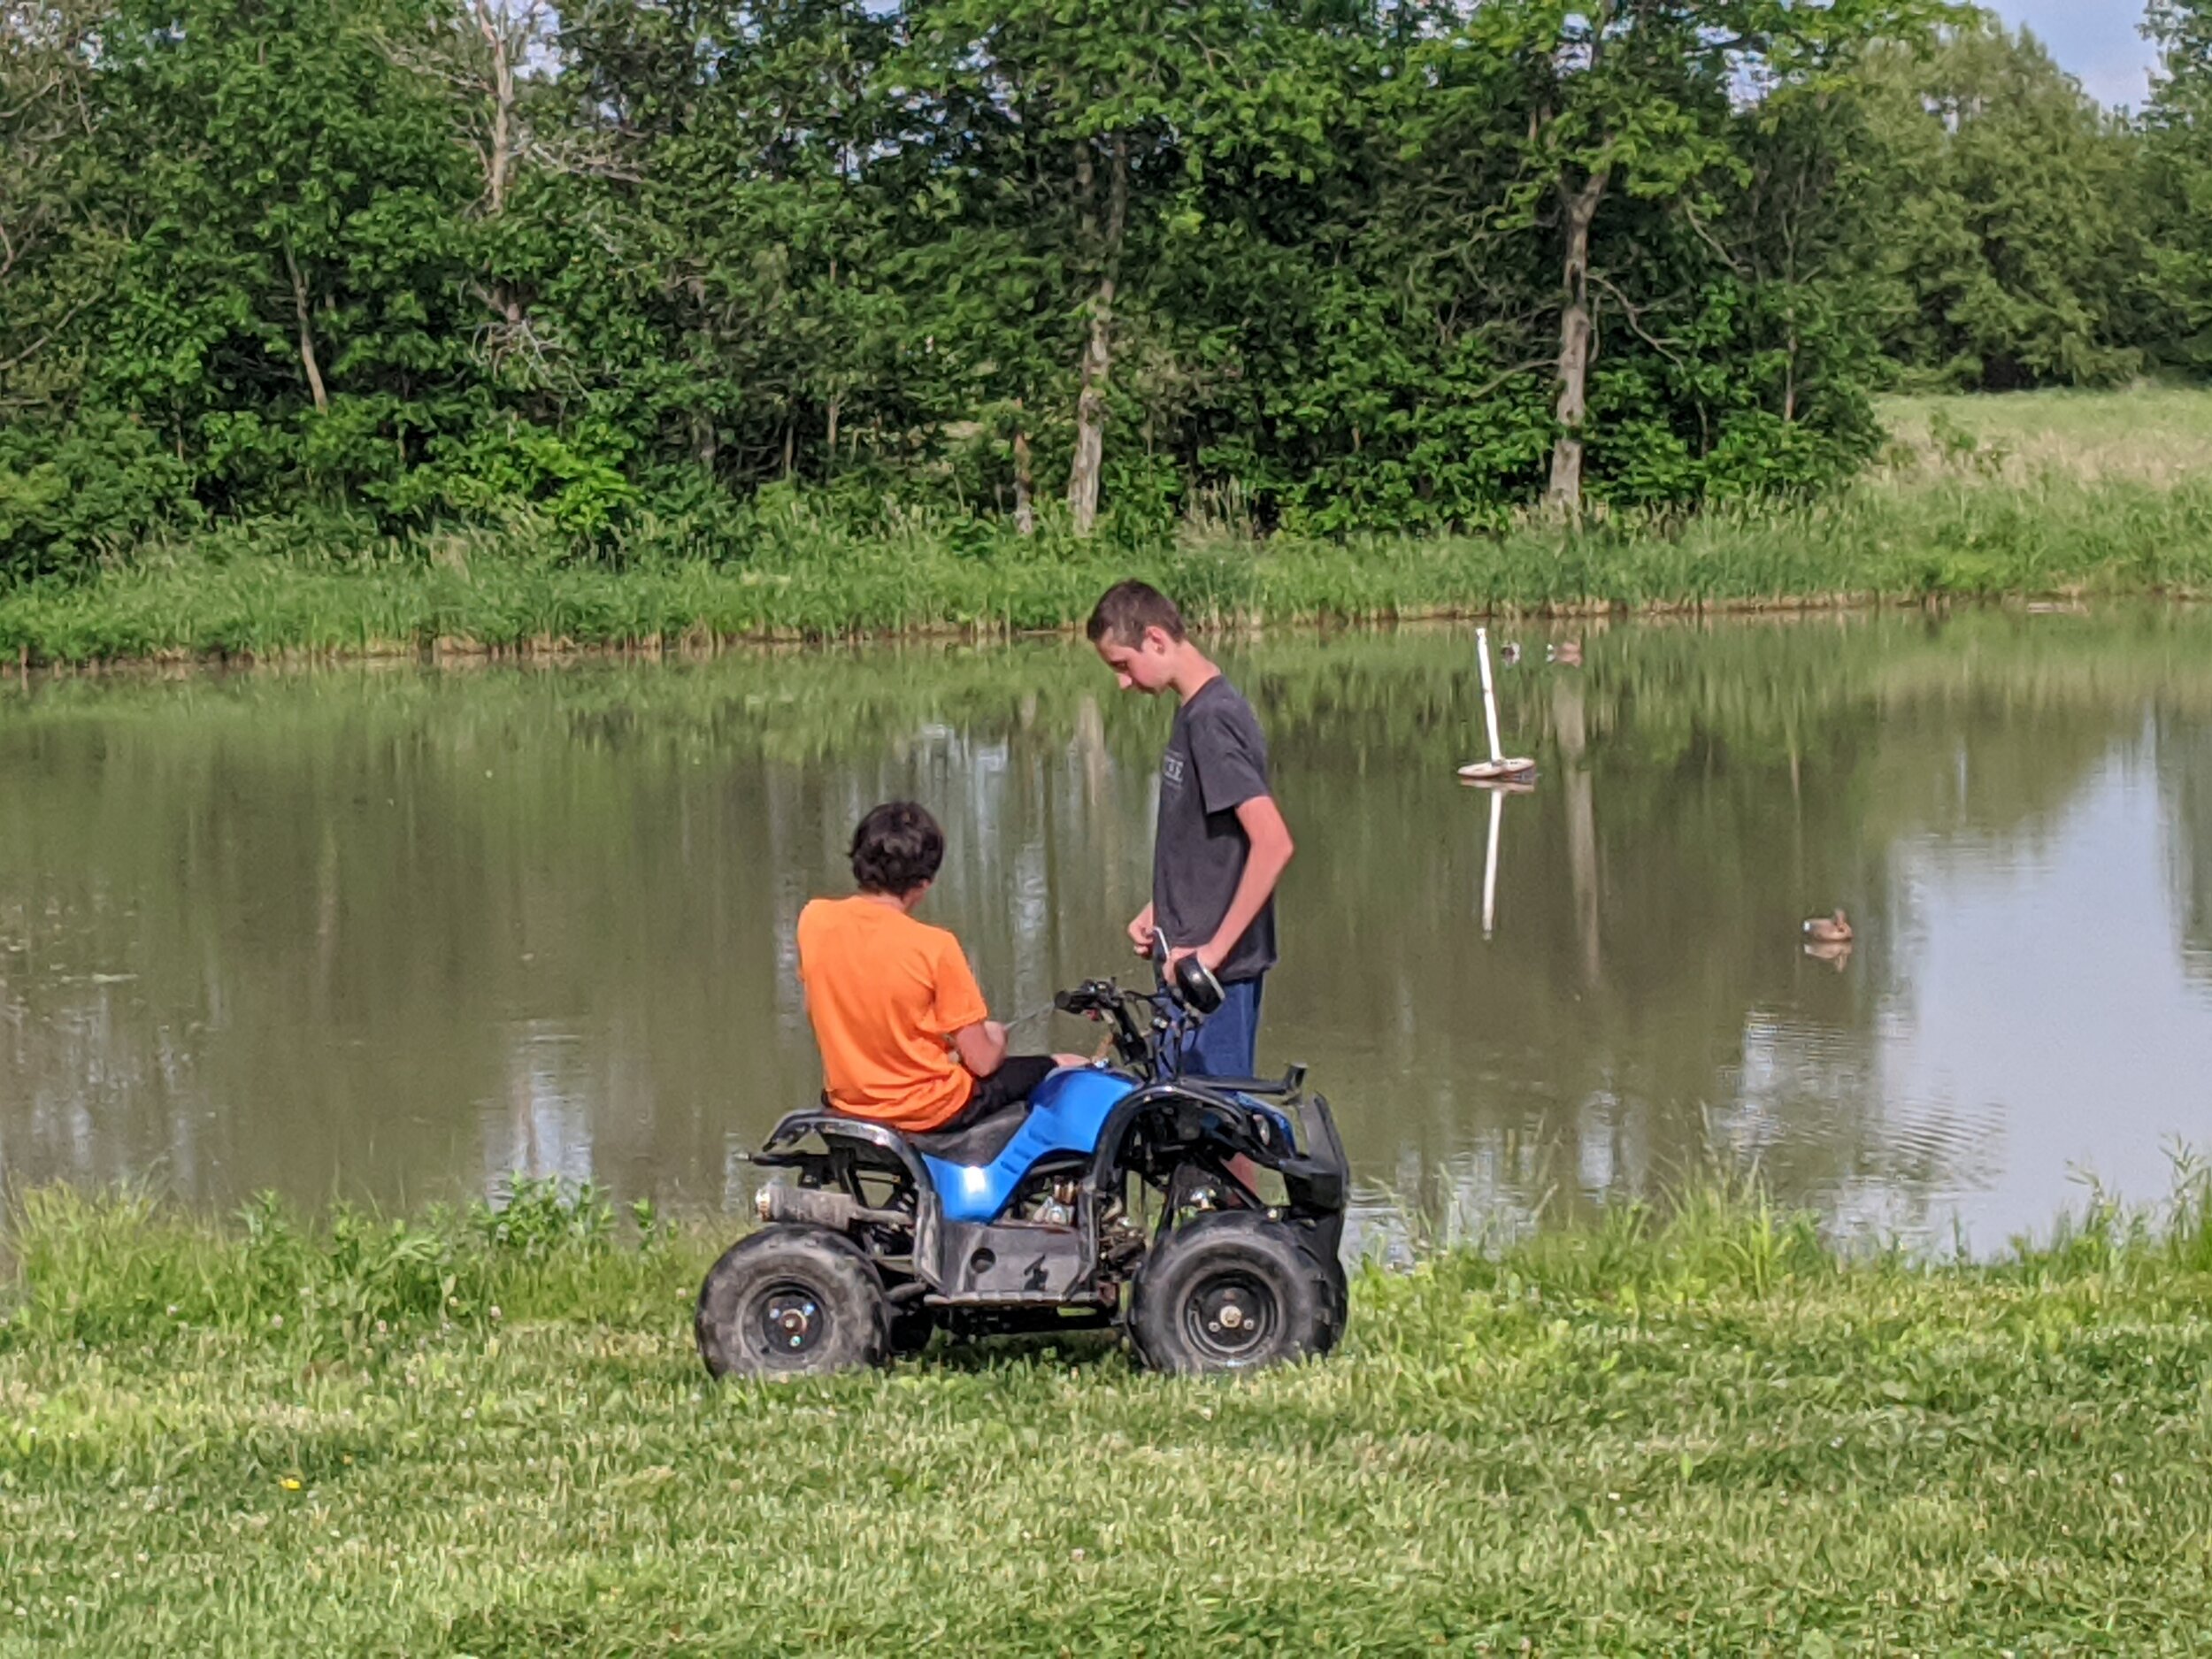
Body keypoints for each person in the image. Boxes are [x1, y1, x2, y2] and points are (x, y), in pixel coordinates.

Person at [1087, 580, 1294, 1079]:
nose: (1122, 683)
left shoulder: (1212, 719)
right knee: (1190, 1127)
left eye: (1122, 665)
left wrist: (1211, 954)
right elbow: (1215, 845)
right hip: (1186, 959)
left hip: (1210, 976)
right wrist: (1161, 908)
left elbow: (1273, 842)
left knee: (1216, 1131)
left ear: (1156, 639)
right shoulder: (1194, 710)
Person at [796, 801, 1081, 1135]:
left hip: (848, 1105)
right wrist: (996, 1037)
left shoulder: (814, 919)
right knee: (1066, 1067)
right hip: (930, 1110)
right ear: (924, 883)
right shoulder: (934, 946)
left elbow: (818, 1005)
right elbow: (983, 1062)